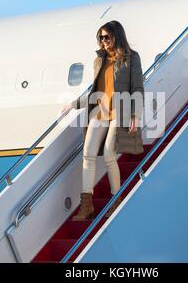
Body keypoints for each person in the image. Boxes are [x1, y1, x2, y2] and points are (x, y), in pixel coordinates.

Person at [60, 20, 144, 220]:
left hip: (119, 112)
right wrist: (73, 104)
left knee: (108, 155)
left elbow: (137, 88)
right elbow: (94, 91)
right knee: (88, 155)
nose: (103, 41)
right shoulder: (99, 60)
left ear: (117, 35)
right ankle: (86, 206)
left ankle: (116, 202)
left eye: (106, 37)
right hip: (99, 112)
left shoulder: (131, 58)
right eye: (100, 37)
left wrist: (136, 114)